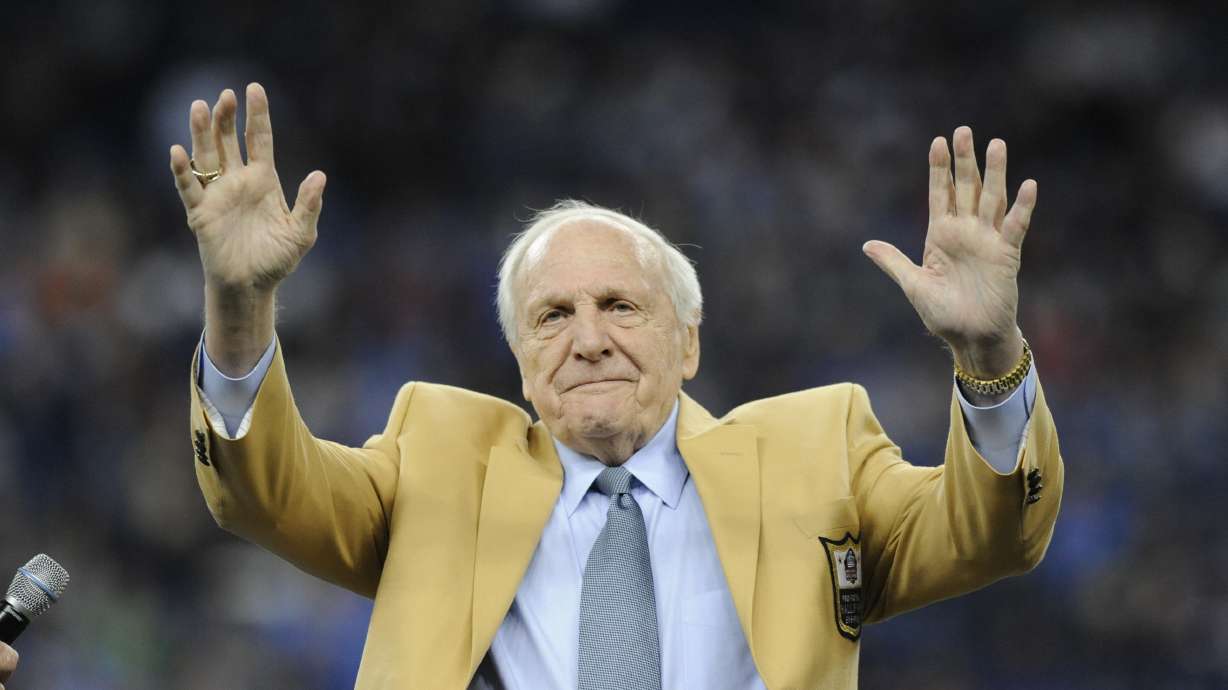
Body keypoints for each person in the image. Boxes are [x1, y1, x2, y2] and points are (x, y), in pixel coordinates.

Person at [170, 83, 1063, 690]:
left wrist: (988, 354)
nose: (588, 339)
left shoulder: (817, 449)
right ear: (521, 360)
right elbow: (261, 491)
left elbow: (991, 533)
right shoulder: (435, 452)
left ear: (689, 344)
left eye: (621, 307)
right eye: (553, 317)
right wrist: (239, 307)